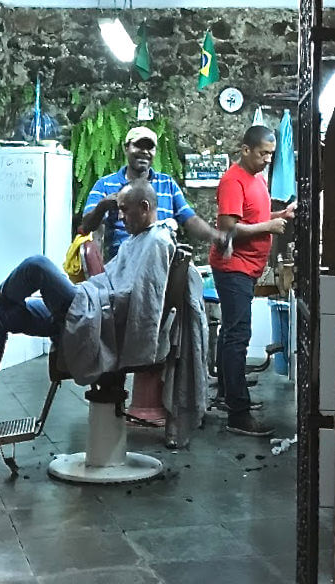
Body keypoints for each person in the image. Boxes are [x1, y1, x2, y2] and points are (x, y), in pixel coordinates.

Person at [0, 180, 182, 403]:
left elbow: (142, 302)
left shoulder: (157, 241)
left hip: (97, 312)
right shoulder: (136, 240)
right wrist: (89, 292)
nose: (120, 217)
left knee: (37, 265)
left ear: (145, 207)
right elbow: (111, 279)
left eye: (125, 210)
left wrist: (96, 298)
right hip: (88, 302)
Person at [209, 125, 296, 437]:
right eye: (263, 154)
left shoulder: (256, 177)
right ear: (245, 149)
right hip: (234, 267)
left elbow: (254, 215)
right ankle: (238, 414)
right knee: (237, 337)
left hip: (246, 267)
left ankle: (226, 396)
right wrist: (268, 227)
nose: (267, 160)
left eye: (271, 155)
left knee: (232, 334)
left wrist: (280, 214)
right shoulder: (233, 180)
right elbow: (229, 228)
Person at [81, 126, 227, 260]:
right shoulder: (105, 185)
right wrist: (102, 207)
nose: (144, 152)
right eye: (138, 146)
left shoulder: (167, 184)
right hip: (123, 265)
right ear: (126, 148)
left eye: (150, 148)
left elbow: (190, 219)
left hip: (162, 261)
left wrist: (216, 236)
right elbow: (86, 226)